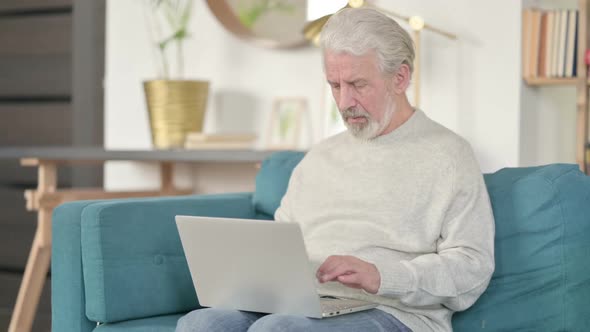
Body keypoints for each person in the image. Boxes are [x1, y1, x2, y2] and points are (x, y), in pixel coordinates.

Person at [176, 7, 495, 332]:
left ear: (400, 78)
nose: (344, 102)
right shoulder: (320, 156)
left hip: (393, 311)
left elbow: (472, 268)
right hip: (304, 304)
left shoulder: (449, 155)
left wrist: (382, 276)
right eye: (335, 85)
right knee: (203, 323)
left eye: (358, 84)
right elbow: (279, 243)